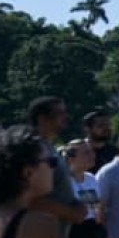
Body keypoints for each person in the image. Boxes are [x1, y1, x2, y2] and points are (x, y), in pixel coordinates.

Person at [24, 97, 86, 228]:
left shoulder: (49, 147)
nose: (65, 117)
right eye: (59, 113)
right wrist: (70, 211)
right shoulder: (35, 149)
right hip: (37, 234)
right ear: (41, 118)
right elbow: (30, 197)